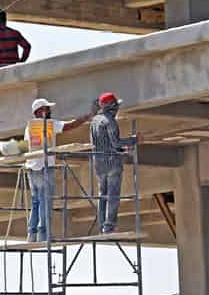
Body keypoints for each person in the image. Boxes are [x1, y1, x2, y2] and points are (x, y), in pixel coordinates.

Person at [25, 98, 96, 242]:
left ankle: (32, 234)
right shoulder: (50, 124)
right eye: (46, 109)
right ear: (39, 111)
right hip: (45, 167)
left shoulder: (29, 127)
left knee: (36, 202)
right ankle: (43, 234)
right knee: (45, 201)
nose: (49, 111)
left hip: (32, 168)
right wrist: (88, 116)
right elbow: (69, 126)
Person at [90, 92, 138, 234]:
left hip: (99, 163)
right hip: (112, 163)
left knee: (102, 194)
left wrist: (122, 148)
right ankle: (109, 226)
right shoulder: (109, 121)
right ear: (112, 106)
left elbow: (103, 143)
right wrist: (133, 140)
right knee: (113, 195)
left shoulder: (94, 121)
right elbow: (116, 142)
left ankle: (102, 226)